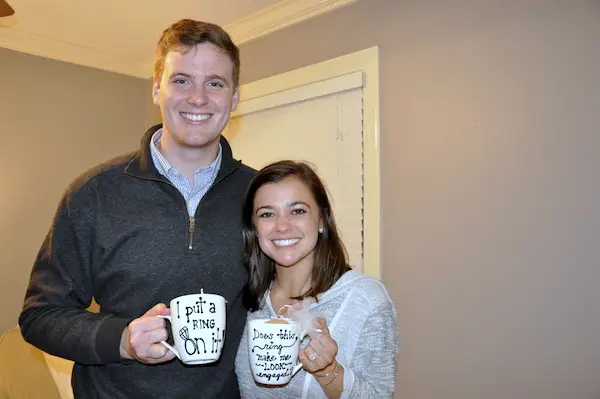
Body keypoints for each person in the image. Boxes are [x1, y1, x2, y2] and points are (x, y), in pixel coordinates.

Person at [19, 19, 256, 398]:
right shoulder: (92, 194)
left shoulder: (260, 196)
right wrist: (123, 340)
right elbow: (40, 316)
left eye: (215, 83)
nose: (198, 97)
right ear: (156, 89)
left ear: (234, 97)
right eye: (181, 80)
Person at [235, 160, 399, 398]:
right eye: (267, 214)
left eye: (298, 211)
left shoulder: (365, 299)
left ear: (321, 220)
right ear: (255, 227)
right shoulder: (250, 300)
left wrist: (329, 372)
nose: (282, 226)